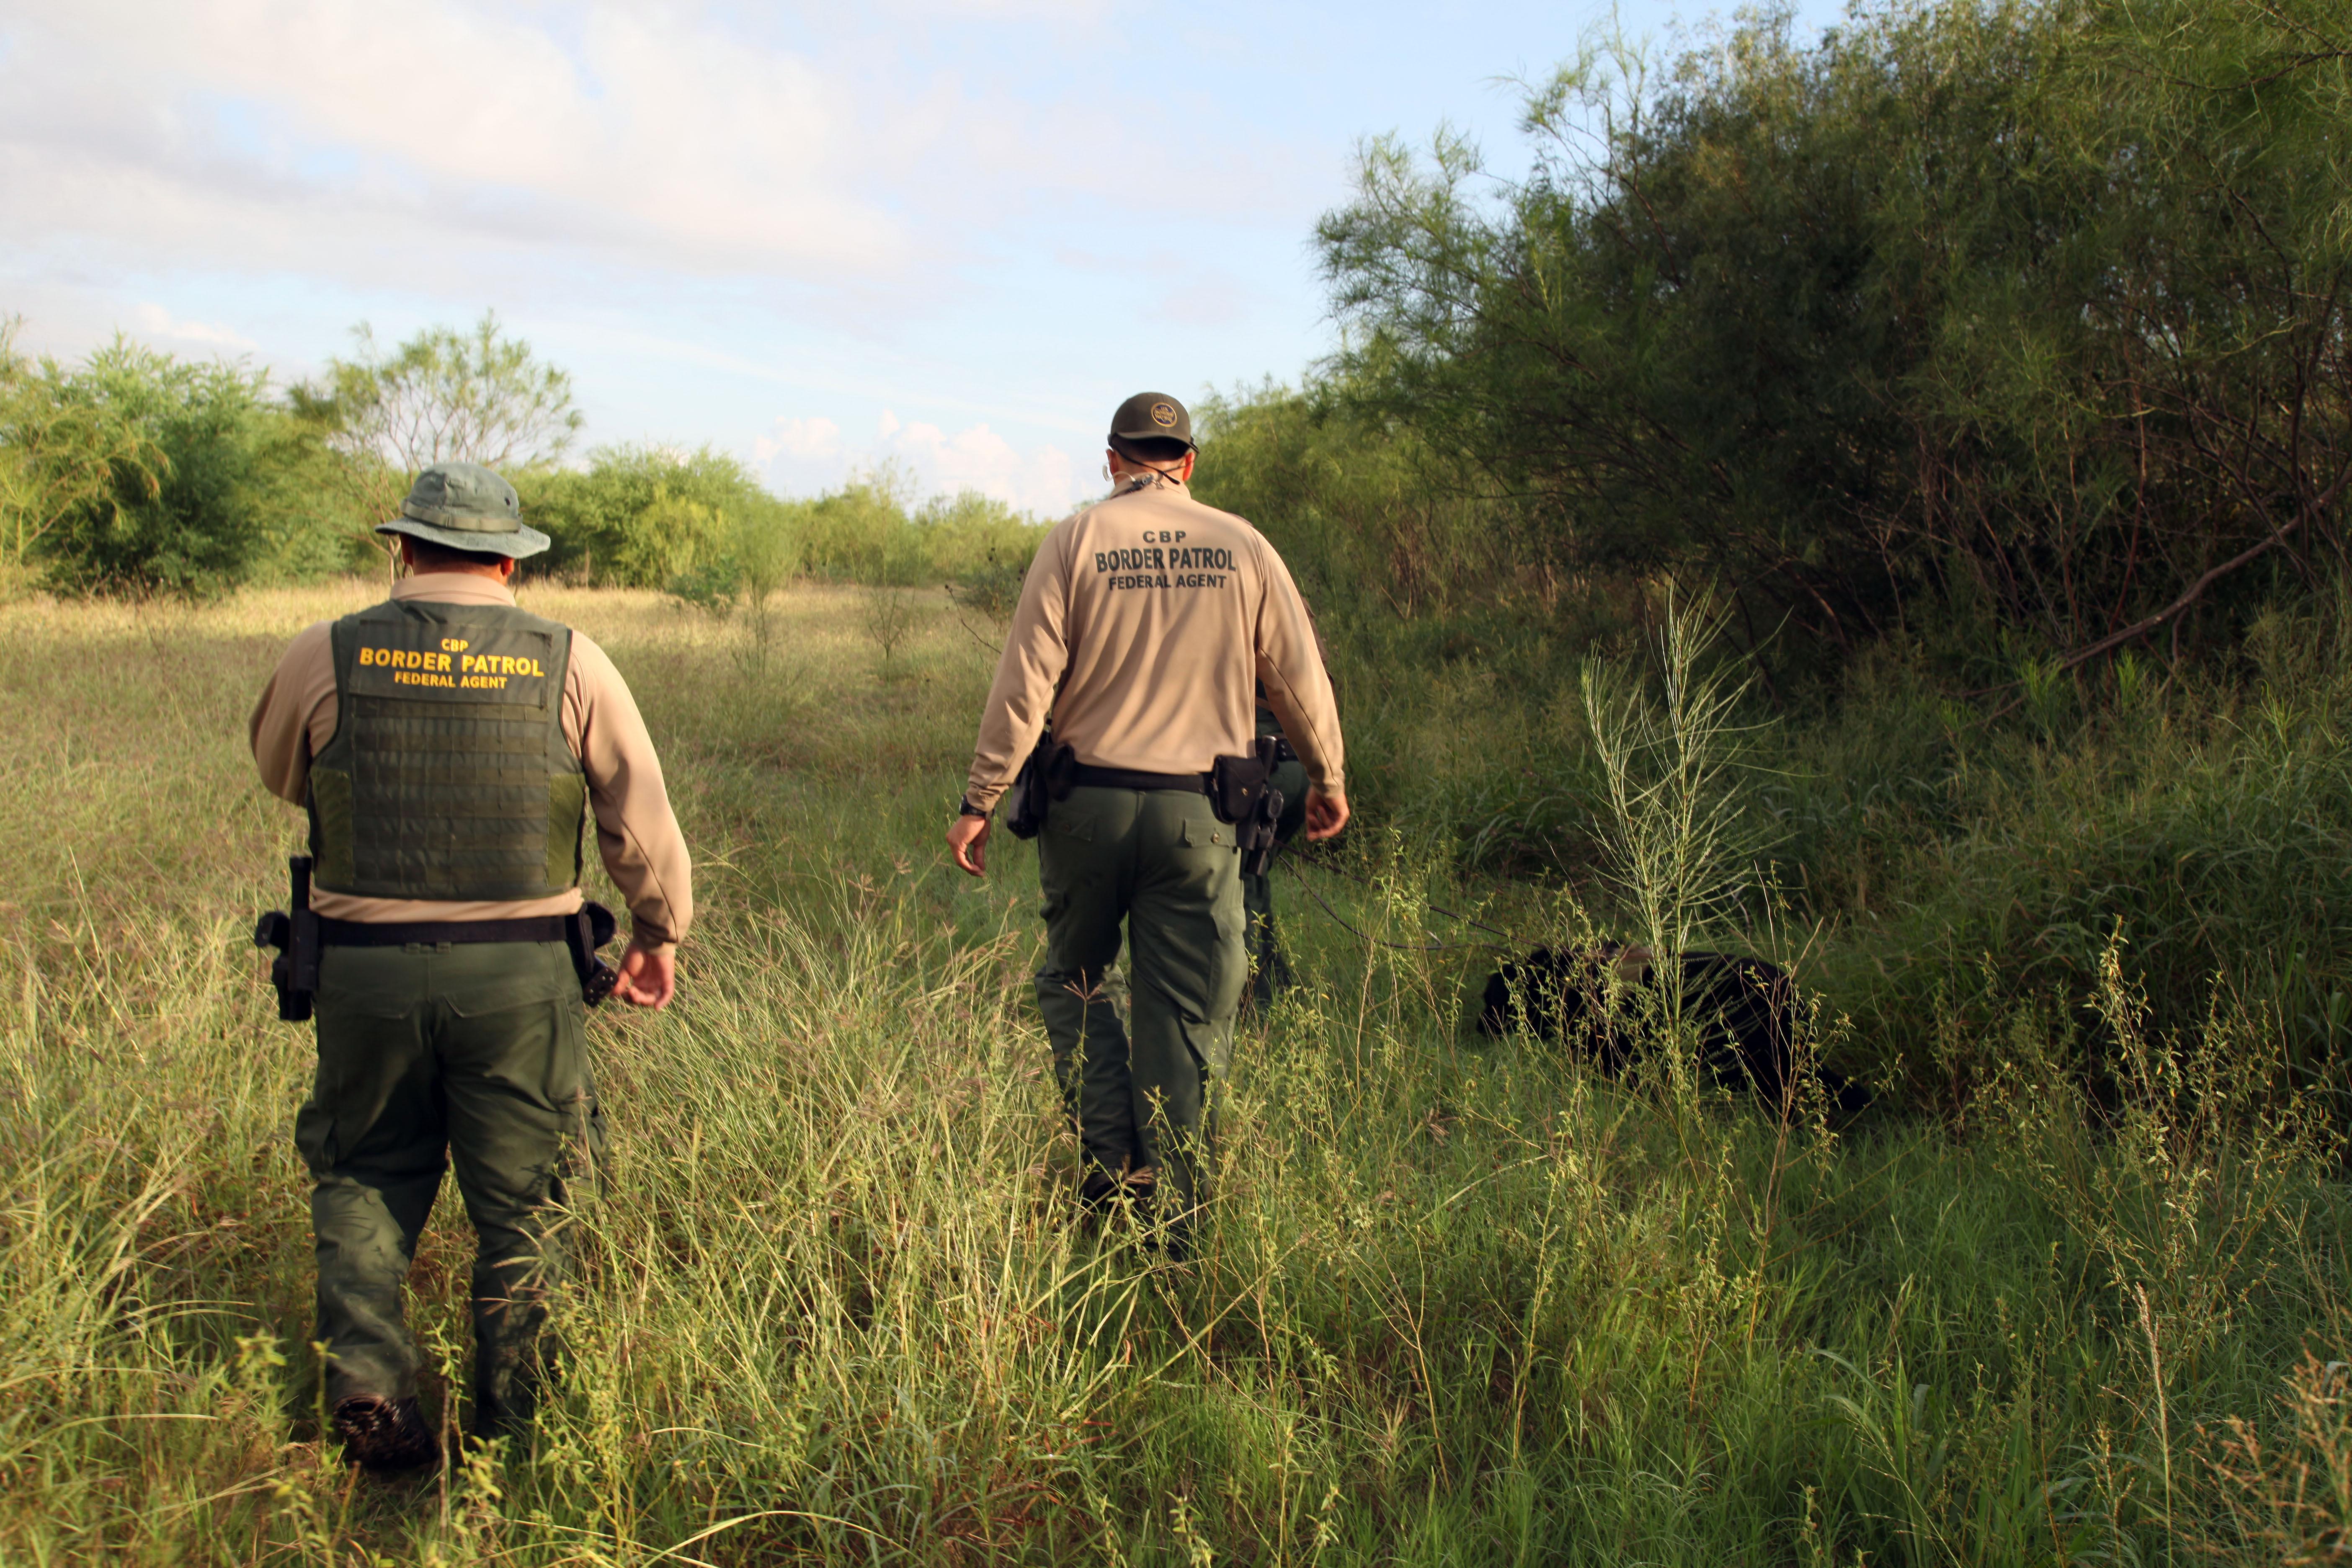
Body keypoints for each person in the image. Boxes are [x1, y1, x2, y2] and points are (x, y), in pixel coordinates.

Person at [248, 462, 692, 1471]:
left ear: (402, 549)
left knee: (363, 1171)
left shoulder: (325, 651)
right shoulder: (573, 661)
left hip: (361, 973)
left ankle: (368, 1388)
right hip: (522, 981)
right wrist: (658, 934)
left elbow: (282, 770)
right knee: (527, 1201)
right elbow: (640, 820)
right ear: (509, 560)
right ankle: (514, 1429)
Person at [946, 393, 1346, 1256]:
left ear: (1113, 460)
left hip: (1084, 807)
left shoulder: (1076, 540)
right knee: (1186, 1015)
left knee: (1074, 983)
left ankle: (1112, 1165)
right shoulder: (1244, 546)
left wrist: (981, 800)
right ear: (1189, 463)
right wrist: (1327, 778)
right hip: (1200, 820)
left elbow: (1026, 685)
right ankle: (1178, 1229)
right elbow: (1295, 678)